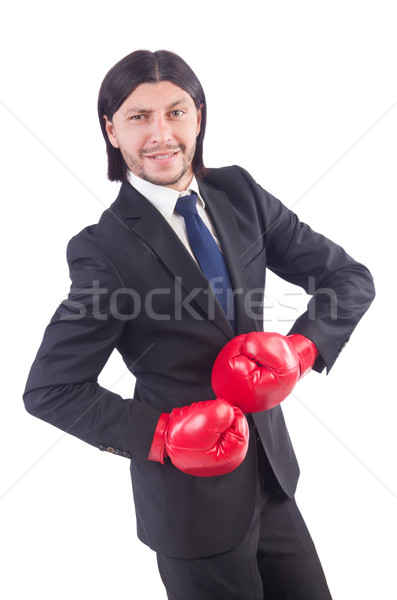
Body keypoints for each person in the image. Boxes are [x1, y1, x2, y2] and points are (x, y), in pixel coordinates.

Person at [23, 49, 375, 600]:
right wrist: (161, 436)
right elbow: (50, 389)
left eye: (176, 111)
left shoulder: (240, 193)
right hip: (189, 508)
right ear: (111, 131)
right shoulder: (103, 250)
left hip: (272, 479)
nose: (161, 133)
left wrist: (302, 351)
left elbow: (348, 279)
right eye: (138, 117)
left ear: (199, 118)